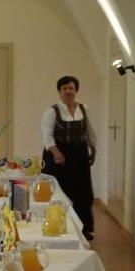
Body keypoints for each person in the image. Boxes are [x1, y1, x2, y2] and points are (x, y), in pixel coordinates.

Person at [41, 75, 97, 241]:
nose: (68, 91)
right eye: (64, 88)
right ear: (59, 92)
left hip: (79, 154)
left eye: (71, 88)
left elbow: (89, 131)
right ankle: (59, 225)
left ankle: (83, 229)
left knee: (82, 192)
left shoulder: (83, 109)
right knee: (63, 191)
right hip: (59, 154)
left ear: (76, 90)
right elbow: (47, 135)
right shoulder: (52, 111)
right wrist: (57, 153)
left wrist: (93, 148)